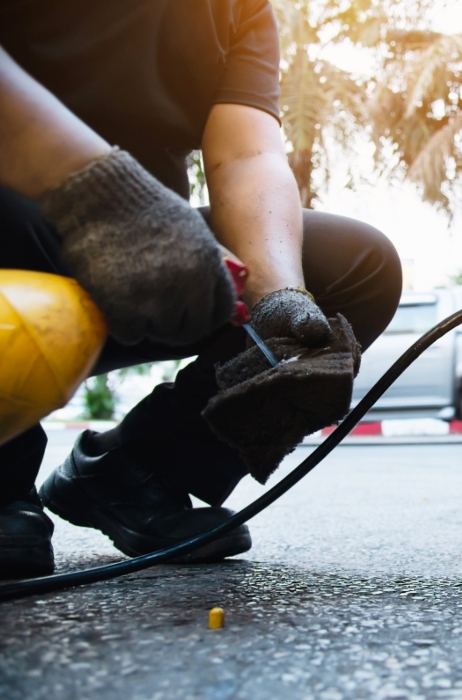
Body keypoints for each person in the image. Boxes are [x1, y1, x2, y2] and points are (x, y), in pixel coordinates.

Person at [0, 0, 402, 578]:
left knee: (359, 267)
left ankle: (138, 473)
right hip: (19, 235)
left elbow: (247, 154)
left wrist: (278, 300)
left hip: (150, 262)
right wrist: (102, 198)